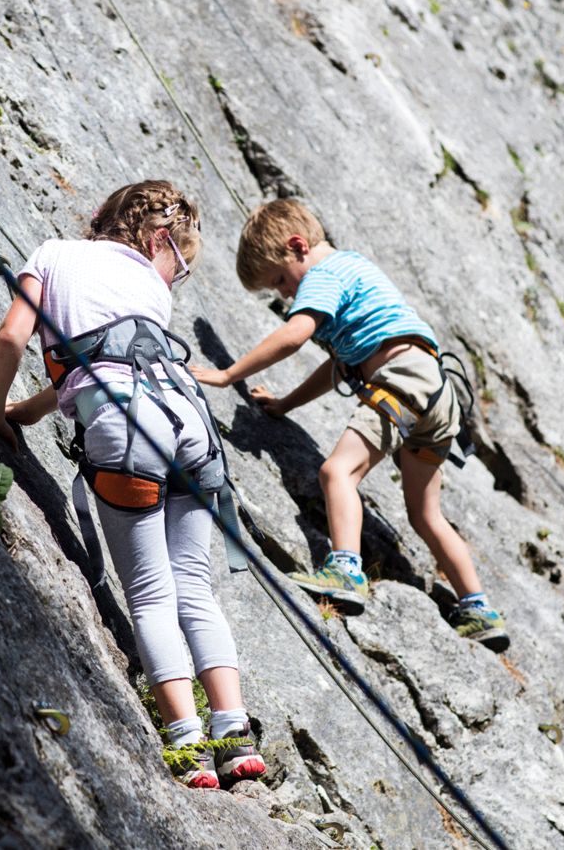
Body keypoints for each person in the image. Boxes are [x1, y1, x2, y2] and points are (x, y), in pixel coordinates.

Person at [0, 181, 268, 787]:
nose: (174, 277)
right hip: (190, 424)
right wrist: (29, 413)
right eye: (178, 264)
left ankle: (187, 741)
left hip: (124, 430)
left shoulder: (54, 255)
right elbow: (112, 360)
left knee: (150, 592)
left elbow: (16, 339)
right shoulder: (146, 288)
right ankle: (234, 734)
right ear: (160, 238)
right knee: (194, 583)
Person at [190, 199, 508, 652]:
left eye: (280, 281)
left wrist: (227, 375)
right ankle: (478, 608)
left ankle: (344, 569)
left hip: (403, 380)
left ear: (297, 246)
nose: (284, 295)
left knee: (337, 472)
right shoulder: (353, 275)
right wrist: (283, 405)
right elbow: (339, 364)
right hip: (436, 392)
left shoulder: (324, 275)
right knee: (425, 514)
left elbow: (295, 335)